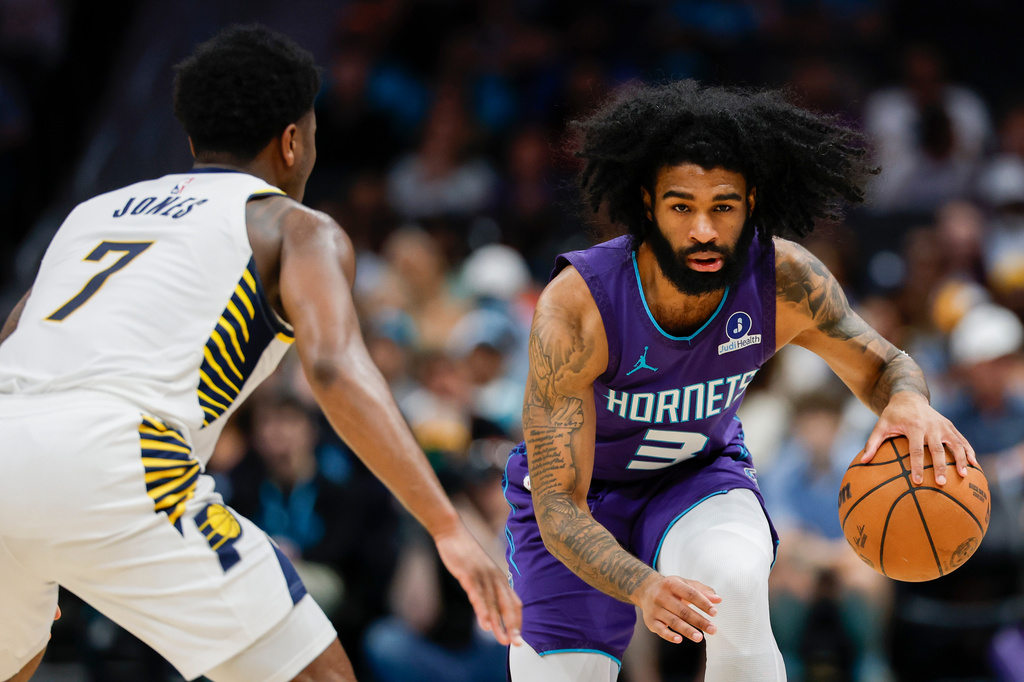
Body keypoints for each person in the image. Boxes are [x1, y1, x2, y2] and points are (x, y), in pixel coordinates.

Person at [0, 24, 520, 682]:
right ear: (294, 141)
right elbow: (331, 367)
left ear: (193, 141)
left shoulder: (90, 214)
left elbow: (13, 349)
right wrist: (447, 526)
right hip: (119, 459)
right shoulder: (293, 227)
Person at [503, 80, 976, 682]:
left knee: (734, 578)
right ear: (647, 204)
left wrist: (908, 399)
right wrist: (641, 584)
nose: (703, 229)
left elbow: (884, 364)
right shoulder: (577, 309)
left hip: (696, 479)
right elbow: (557, 505)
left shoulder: (784, 280)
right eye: (682, 207)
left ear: (751, 201)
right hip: (581, 506)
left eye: (722, 207)